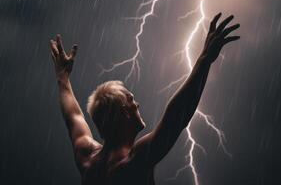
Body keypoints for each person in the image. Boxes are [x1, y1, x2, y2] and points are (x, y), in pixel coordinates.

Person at [49, 13, 240, 185]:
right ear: (124, 111)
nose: (137, 104)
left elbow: (74, 116)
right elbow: (176, 116)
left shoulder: (87, 157)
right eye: (131, 100)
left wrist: (63, 78)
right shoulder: (133, 162)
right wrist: (204, 59)